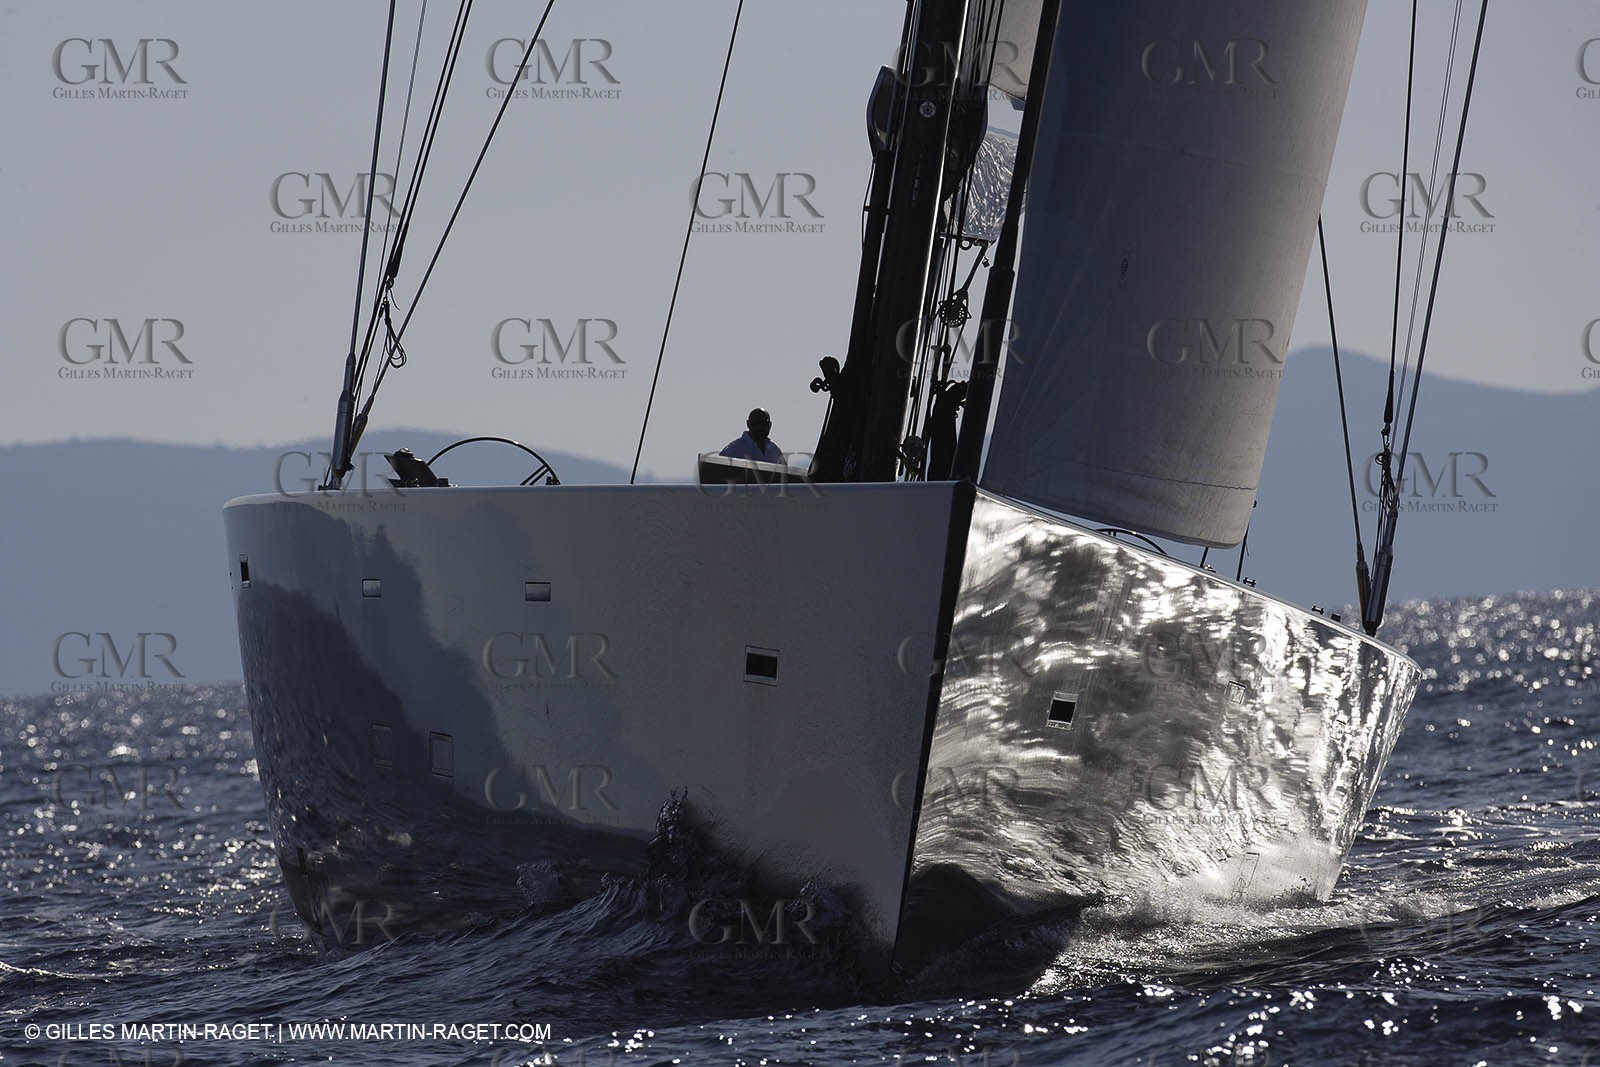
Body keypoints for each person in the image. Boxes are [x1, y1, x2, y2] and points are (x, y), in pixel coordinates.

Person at [720, 407, 785, 464]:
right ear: (748, 424)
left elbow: (785, 476)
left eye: (764, 423)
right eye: (756, 423)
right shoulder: (734, 450)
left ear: (770, 425)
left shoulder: (775, 451)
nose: (760, 427)